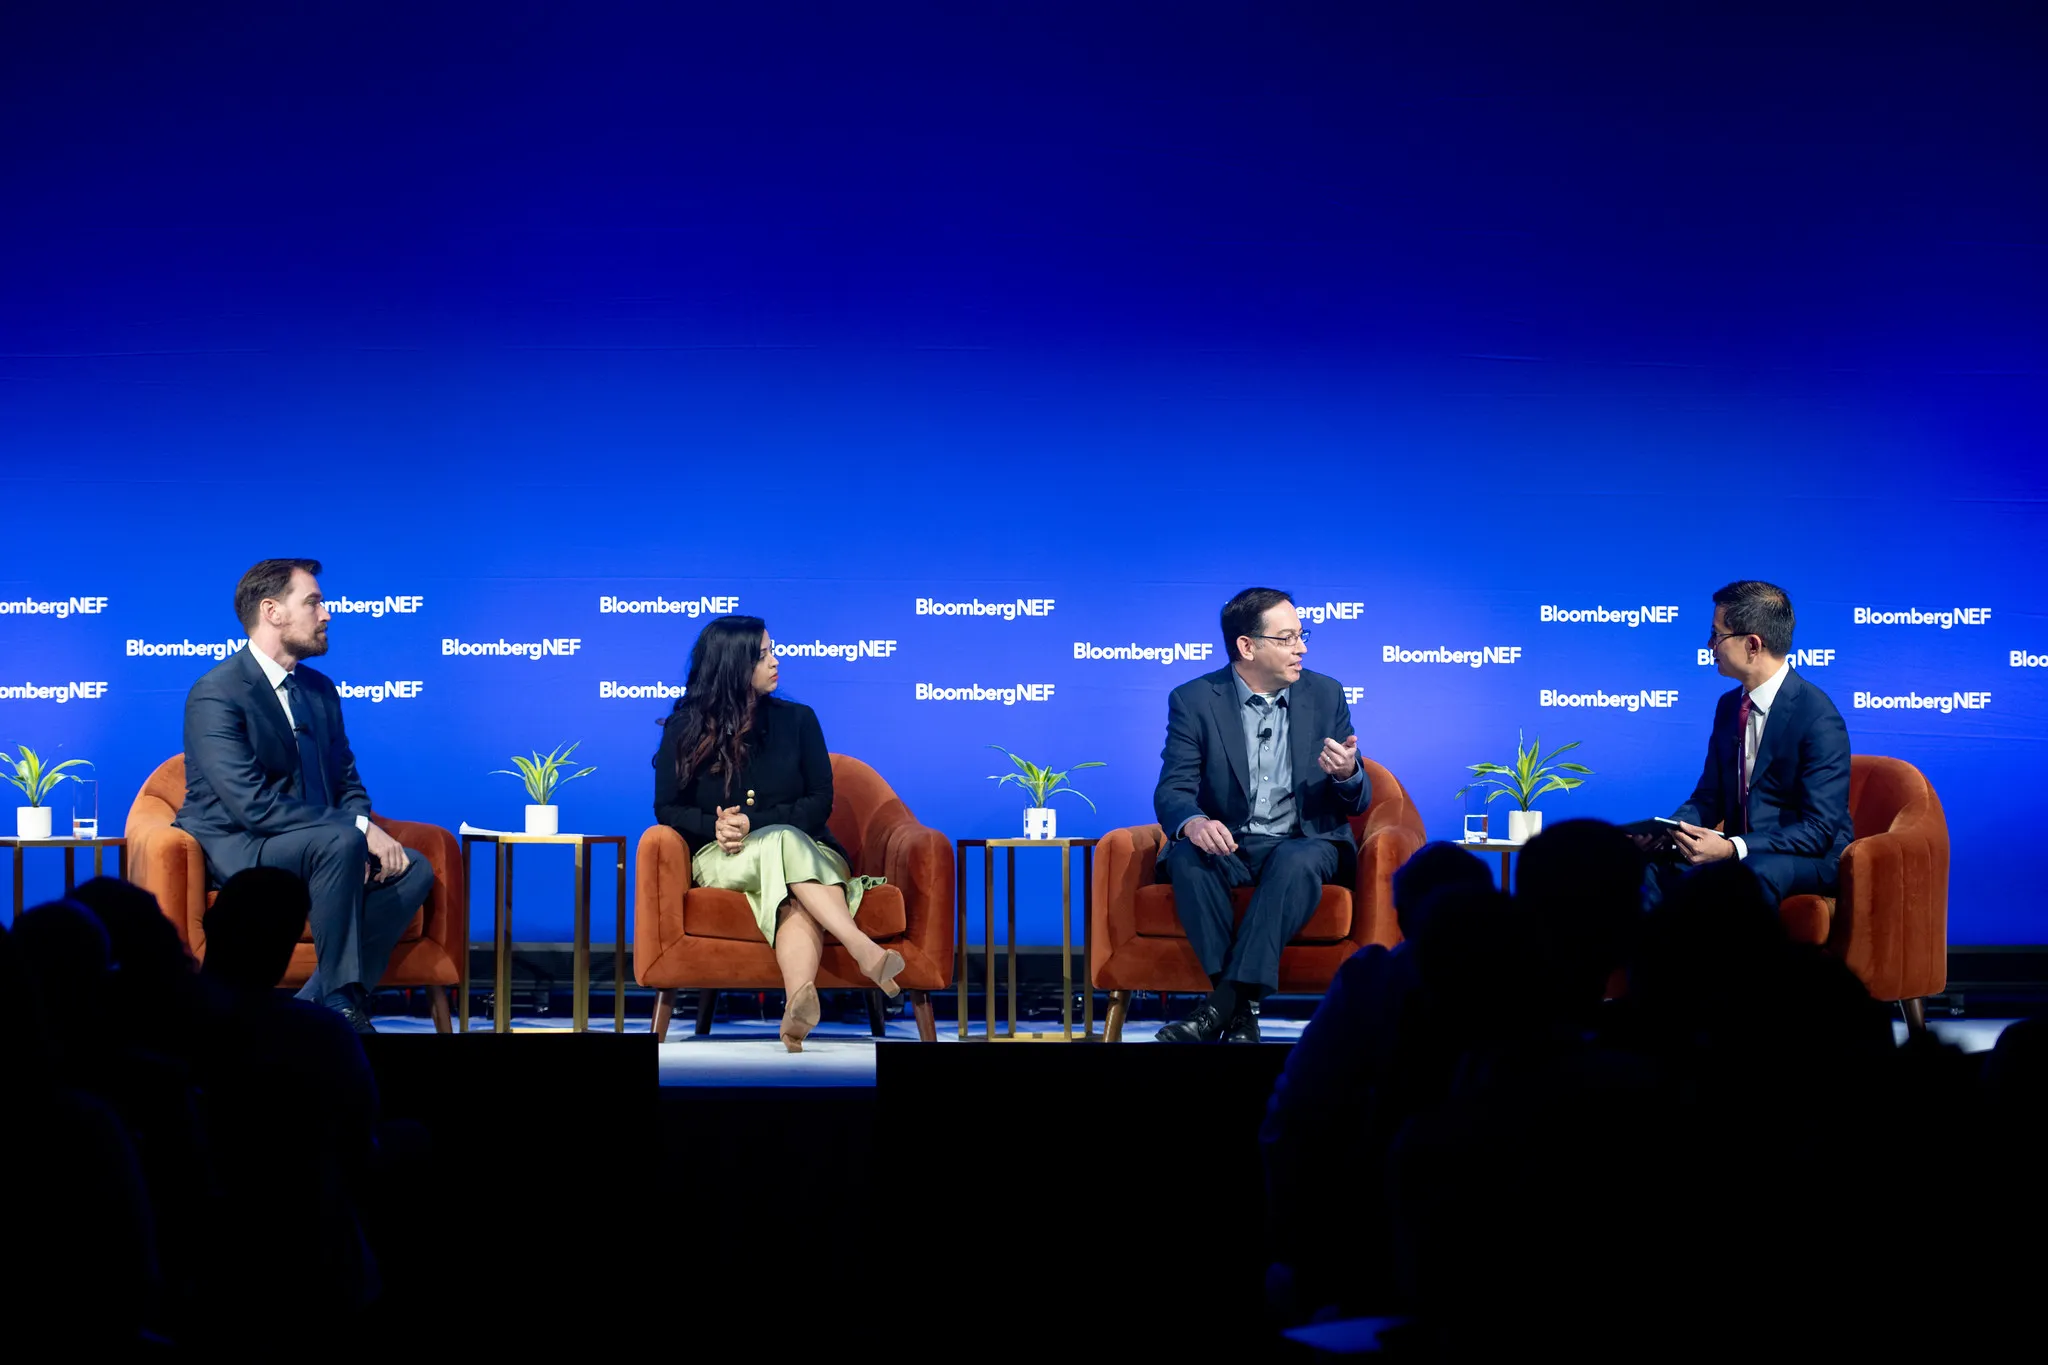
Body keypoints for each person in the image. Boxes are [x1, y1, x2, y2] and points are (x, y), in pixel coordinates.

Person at [174, 559, 434, 1033]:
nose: (326, 613)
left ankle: (318, 1001)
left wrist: (358, 824)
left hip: (321, 843)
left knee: (412, 867)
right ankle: (340, 1006)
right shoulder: (216, 693)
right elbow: (252, 805)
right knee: (341, 841)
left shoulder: (319, 691)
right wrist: (355, 830)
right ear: (272, 611)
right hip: (244, 844)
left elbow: (348, 784)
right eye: (313, 602)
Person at [652, 614, 897, 1052]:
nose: (775, 661)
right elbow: (667, 808)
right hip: (726, 856)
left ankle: (795, 1011)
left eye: (772, 651)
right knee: (782, 844)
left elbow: (820, 801)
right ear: (734, 665)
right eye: (763, 655)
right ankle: (861, 948)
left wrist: (757, 824)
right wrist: (714, 826)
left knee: (790, 882)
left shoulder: (799, 720)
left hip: (812, 849)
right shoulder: (685, 728)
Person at [1152, 587, 1371, 1043]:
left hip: (1304, 841)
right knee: (1187, 858)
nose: (1301, 648)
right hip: (1231, 843)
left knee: (1295, 860)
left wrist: (1348, 773)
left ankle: (1219, 1006)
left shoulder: (1326, 694)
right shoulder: (1194, 700)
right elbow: (1173, 789)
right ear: (1247, 646)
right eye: (1287, 638)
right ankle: (1239, 1015)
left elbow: (1358, 801)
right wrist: (1194, 823)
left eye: (1302, 636)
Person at [1656, 580, 1851, 909]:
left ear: (1752, 645)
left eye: (1717, 635)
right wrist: (1672, 832)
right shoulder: (1729, 706)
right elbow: (1709, 798)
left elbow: (1818, 830)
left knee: (1749, 875)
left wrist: (1733, 848)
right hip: (1744, 850)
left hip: (1810, 857)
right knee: (1655, 867)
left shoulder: (1818, 716)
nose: (1709, 645)